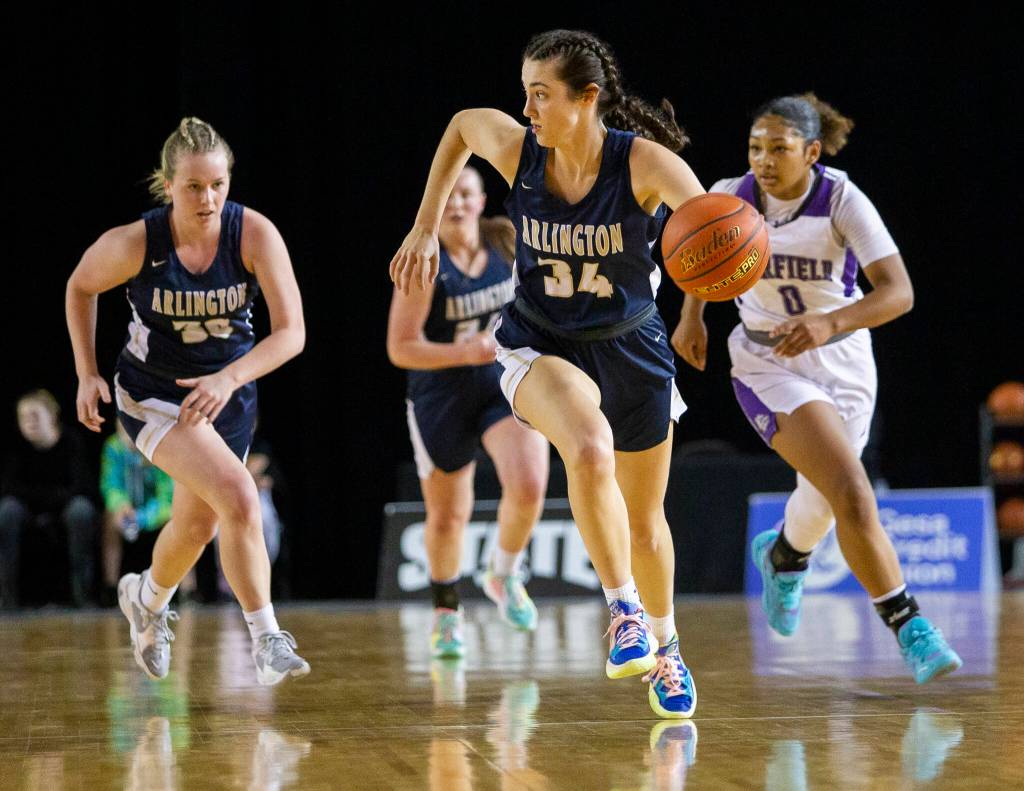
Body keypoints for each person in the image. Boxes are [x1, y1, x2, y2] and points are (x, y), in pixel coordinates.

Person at [390, 30, 701, 717]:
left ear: (587, 99)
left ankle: (667, 645)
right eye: (524, 92)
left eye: (540, 94)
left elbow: (710, 226)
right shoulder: (518, 154)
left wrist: (697, 312)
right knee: (587, 447)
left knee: (647, 521)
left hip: (634, 345)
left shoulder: (643, 163)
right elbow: (461, 126)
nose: (526, 108)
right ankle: (621, 608)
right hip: (542, 342)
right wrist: (422, 225)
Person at [672, 93, 961, 683]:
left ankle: (784, 556)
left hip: (843, 357)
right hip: (766, 359)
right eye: (755, 147)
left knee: (826, 491)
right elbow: (701, 251)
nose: (763, 160)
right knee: (850, 488)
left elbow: (898, 292)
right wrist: (691, 317)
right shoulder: (730, 195)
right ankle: (910, 625)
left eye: (778, 148)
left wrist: (830, 322)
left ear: (810, 152)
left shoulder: (842, 200)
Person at [66, 117, 310, 685]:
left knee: (197, 526)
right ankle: (266, 635)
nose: (208, 198)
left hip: (225, 396)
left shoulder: (253, 234)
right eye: (195, 186)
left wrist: (228, 379)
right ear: (168, 185)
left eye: (218, 185)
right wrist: (86, 373)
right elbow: (80, 285)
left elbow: (291, 332)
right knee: (240, 498)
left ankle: (146, 601)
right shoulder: (138, 242)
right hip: (151, 395)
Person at [387, 166, 550, 658]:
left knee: (528, 484)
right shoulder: (425, 261)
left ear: (482, 201)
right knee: (448, 516)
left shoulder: (507, 243)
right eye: (449, 195)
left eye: (467, 193)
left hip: (501, 382)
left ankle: (502, 573)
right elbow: (401, 348)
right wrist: (467, 352)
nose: (457, 203)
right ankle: (446, 611)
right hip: (441, 392)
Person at [0, 389, 98, 608]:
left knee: (81, 510)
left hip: (65, 508)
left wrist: (45, 499)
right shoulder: (16, 446)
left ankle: (83, 597)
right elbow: (9, 488)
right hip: (28, 510)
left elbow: (82, 488)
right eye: (24, 418)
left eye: (35, 416)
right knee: (7, 511)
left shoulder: (72, 442)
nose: (29, 423)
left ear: (52, 416)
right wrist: (44, 499)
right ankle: (7, 600)